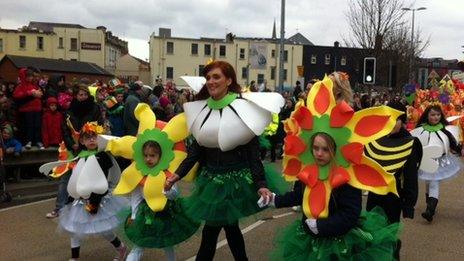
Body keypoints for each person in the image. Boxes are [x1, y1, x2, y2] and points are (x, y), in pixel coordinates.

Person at [165, 60, 283, 260]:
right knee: (230, 229)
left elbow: (253, 155)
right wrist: (177, 174)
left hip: (234, 184)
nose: (211, 81)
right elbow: (196, 151)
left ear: (229, 80)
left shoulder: (243, 108)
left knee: (212, 233)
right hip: (212, 181)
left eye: (216, 77)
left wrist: (261, 184)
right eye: (208, 78)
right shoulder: (201, 109)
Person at [57, 122, 127, 260]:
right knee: (74, 229)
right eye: (87, 137)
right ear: (82, 141)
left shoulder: (103, 156)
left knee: (105, 230)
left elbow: (100, 181)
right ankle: (74, 257)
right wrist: (71, 199)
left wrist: (94, 203)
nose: (91, 140)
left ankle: (121, 248)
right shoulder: (81, 156)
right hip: (81, 199)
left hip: (98, 199)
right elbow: (77, 178)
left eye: (94, 136)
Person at [123, 140, 199, 261]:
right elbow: (136, 197)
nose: (148, 159)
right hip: (146, 214)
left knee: (168, 244)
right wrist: (133, 215)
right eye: (146, 155)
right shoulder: (141, 173)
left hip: (166, 213)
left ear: (160, 156)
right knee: (139, 244)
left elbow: (174, 195)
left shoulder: (167, 173)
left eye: (152, 155)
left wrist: (167, 189)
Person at [365, 101, 423, 258]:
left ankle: (392, 252)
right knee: (370, 231)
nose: (390, 123)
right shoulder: (375, 139)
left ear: (402, 120)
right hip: (374, 194)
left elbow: (410, 177)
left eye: (395, 119)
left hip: (394, 197)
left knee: (388, 233)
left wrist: (409, 204)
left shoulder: (409, 143)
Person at [46, 85, 102, 219]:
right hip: (72, 150)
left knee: (90, 178)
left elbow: (99, 126)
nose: (82, 97)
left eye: (85, 94)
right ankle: (59, 208)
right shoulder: (69, 111)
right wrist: (72, 145)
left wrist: (87, 143)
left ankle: (91, 207)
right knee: (65, 179)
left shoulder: (95, 109)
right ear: (75, 96)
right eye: (80, 94)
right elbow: (64, 130)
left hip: (89, 148)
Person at [411, 104, 463, 222]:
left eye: (438, 115)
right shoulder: (420, 130)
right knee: (428, 183)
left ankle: (430, 210)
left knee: (434, 182)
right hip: (425, 161)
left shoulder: (445, 130)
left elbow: (453, 143)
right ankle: (429, 202)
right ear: (427, 115)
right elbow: (414, 144)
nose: (435, 117)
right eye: (433, 115)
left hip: (441, 161)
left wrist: (459, 150)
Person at [12, 67, 44, 149]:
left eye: (31, 76)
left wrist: (39, 93)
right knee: (29, 126)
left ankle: (37, 141)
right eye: (28, 76)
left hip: (37, 109)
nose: (31, 78)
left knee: (37, 126)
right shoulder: (21, 86)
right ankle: (28, 141)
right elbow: (16, 96)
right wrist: (30, 93)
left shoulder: (35, 85)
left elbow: (40, 94)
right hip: (27, 109)